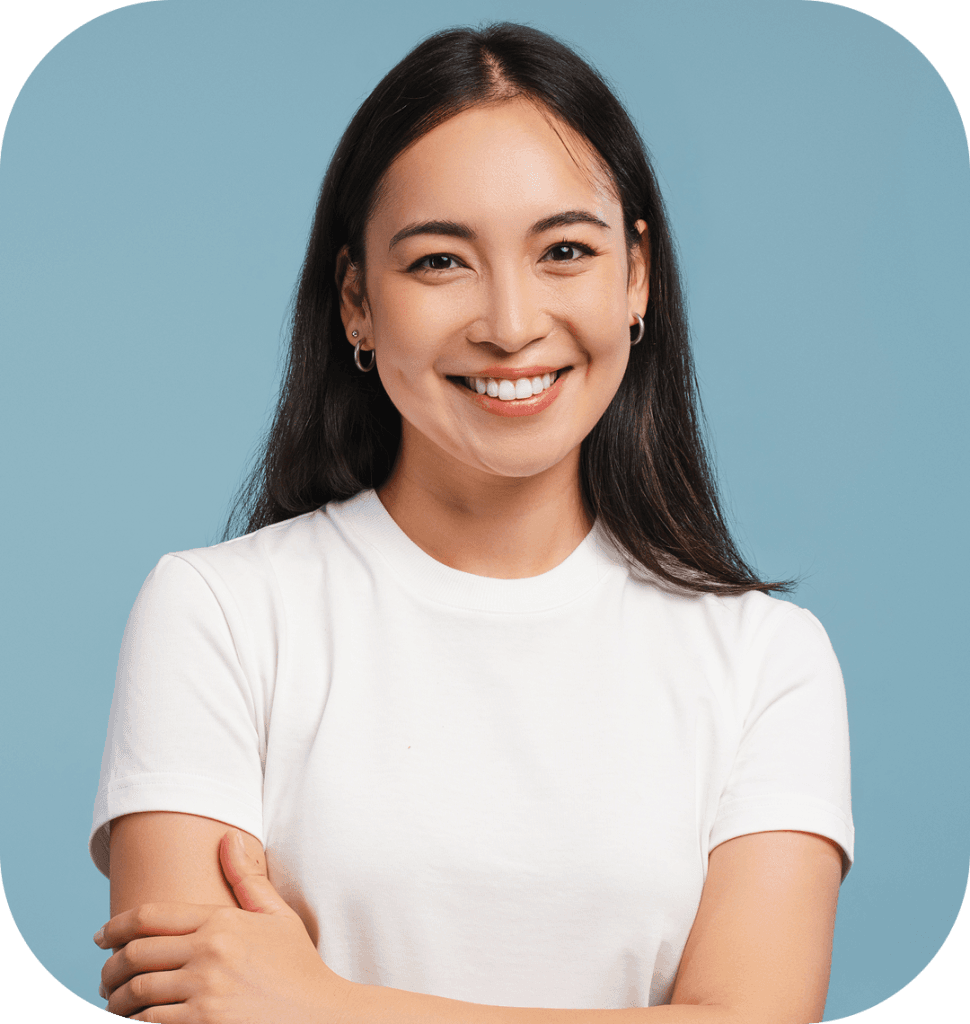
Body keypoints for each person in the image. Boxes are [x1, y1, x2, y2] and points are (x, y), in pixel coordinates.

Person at [89, 22, 853, 1024]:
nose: (509, 321)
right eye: (441, 261)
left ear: (636, 277)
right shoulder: (216, 614)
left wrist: (326, 1005)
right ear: (357, 302)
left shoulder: (765, 660)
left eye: (565, 251)